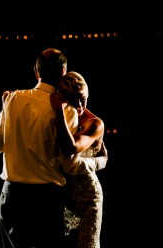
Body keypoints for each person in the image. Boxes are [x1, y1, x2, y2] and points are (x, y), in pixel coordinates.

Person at [0, 48, 96, 248]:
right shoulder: (68, 111)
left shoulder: (12, 100)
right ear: (64, 71)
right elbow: (69, 159)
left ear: (36, 72)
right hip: (48, 199)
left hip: (12, 195)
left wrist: (5, 108)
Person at [53, 71, 108, 248]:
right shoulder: (65, 116)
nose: (79, 105)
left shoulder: (94, 123)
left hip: (88, 197)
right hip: (64, 197)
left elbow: (71, 161)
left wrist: (101, 162)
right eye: (73, 99)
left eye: (83, 99)